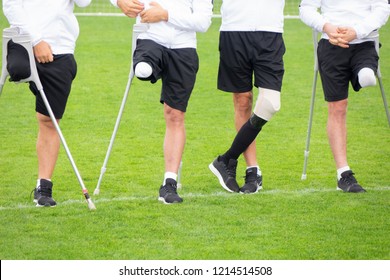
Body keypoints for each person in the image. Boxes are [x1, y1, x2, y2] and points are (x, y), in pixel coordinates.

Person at [110, 0, 212, 203]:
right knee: (143, 68)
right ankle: (145, 65)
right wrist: (119, 1)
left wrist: (166, 15)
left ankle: (169, 184)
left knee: (175, 115)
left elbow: (202, 22)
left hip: (184, 49)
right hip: (151, 39)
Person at [2, 0, 92, 207]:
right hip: (23, 42)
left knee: (49, 120)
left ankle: (43, 188)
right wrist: (36, 41)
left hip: (61, 49)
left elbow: (85, 3)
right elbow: (11, 6)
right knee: (18, 70)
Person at [299, 0, 389, 192]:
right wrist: (327, 27)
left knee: (366, 77)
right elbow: (306, 8)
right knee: (338, 107)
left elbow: (382, 8)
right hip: (331, 45)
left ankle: (364, 73)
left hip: (364, 42)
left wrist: (357, 31)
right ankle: (343, 173)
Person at [209, 0, 286, 194]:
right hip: (233, 30)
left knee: (270, 103)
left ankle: (227, 159)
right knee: (243, 101)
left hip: (270, 32)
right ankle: (253, 171)